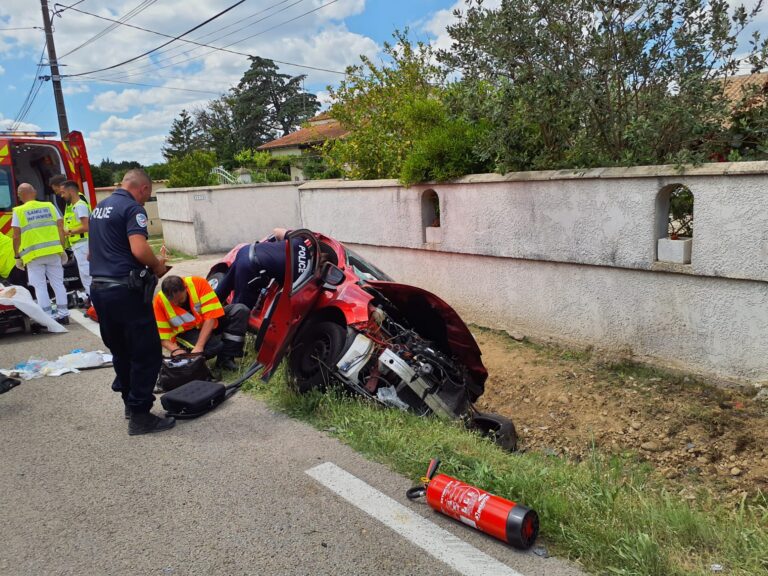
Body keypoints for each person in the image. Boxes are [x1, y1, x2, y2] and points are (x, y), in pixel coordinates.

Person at [88, 168, 174, 436]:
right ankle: (140, 416)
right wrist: (158, 267)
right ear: (144, 189)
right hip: (125, 292)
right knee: (146, 353)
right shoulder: (132, 208)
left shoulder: (98, 209)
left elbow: (91, 254)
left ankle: (129, 403)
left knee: (121, 350)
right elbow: (138, 249)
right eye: (147, 195)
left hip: (99, 290)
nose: (145, 201)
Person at [153, 275, 248, 371]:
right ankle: (188, 358)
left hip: (208, 323)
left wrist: (199, 346)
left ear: (185, 288)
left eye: (180, 300)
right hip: (186, 333)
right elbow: (161, 336)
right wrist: (175, 350)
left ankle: (226, 359)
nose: (177, 304)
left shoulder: (198, 283)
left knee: (240, 310)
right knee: (214, 346)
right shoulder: (159, 301)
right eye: (173, 302)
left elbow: (211, 317)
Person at [11, 183, 69, 324]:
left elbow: (16, 236)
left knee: (40, 286)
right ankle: (63, 314)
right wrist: (62, 248)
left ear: (20, 196)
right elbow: (60, 227)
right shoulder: (49, 206)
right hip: (53, 252)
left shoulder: (18, 211)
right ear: (35, 192)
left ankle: (48, 317)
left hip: (33, 255)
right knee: (58, 283)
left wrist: (17, 255)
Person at [214, 228, 311, 310]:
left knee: (220, 292)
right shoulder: (303, 275)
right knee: (238, 312)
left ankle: (202, 314)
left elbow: (277, 231)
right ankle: (214, 330)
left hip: (247, 250)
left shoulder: (299, 241)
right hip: (251, 267)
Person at [61, 180, 92, 302]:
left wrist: (68, 231)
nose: (62, 196)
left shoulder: (80, 206)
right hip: (79, 245)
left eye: (63, 192)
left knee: (87, 274)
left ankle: (95, 304)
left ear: (70, 191)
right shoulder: (75, 206)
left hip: (83, 244)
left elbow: (87, 226)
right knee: (85, 275)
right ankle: (92, 301)